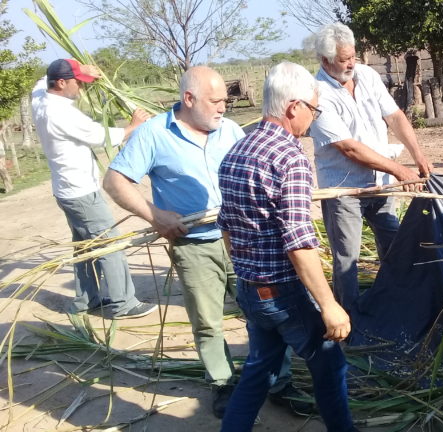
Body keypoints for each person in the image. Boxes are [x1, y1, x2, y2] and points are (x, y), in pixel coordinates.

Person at [102, 66, 306, 419]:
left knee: (262, 313)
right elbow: (115, 180)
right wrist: (154, 214)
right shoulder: (153, 134)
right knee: (208, 321)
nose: (223, 108)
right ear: (189, 99)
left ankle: (278, 380)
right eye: (215, 101)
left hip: (243, 238)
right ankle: (224, 382)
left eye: (225, 100)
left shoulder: (229, 131)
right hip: (194, 243)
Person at [217, 61, 354, 432]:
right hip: (282, 293)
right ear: (294, 107)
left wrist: (248, 270)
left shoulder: (235, 151)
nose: (314, 117)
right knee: (330, 366)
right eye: (314, 109)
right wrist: (330, 307)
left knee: (260, 368)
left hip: (249, 288)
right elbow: (298, 243)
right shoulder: (289, 158)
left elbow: (226, 227)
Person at [307, 22, 434, 313]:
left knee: (394, 242)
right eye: (343, 59)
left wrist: (417, 155)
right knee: (347, 257)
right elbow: (349, 147)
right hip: (344, 189)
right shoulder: (318, 94)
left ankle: (396, 301)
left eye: (353, 55)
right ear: (325, 60)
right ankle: (349, 319)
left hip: (379, 182)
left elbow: (395, 116)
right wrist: (399, 170)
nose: (351, 63)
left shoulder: (366, 75)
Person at [31, 58, 157, 320]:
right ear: (61, 83)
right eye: (78, 82)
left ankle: (86, 299)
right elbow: (101, 137)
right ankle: (124, 303)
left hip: (65, 191)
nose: (82, 87)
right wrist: (133, 125)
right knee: (110, 244)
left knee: (85, 247)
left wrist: (82, 70)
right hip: (81, 193)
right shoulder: (62, 113)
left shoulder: (40, 100)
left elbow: (39, 82)